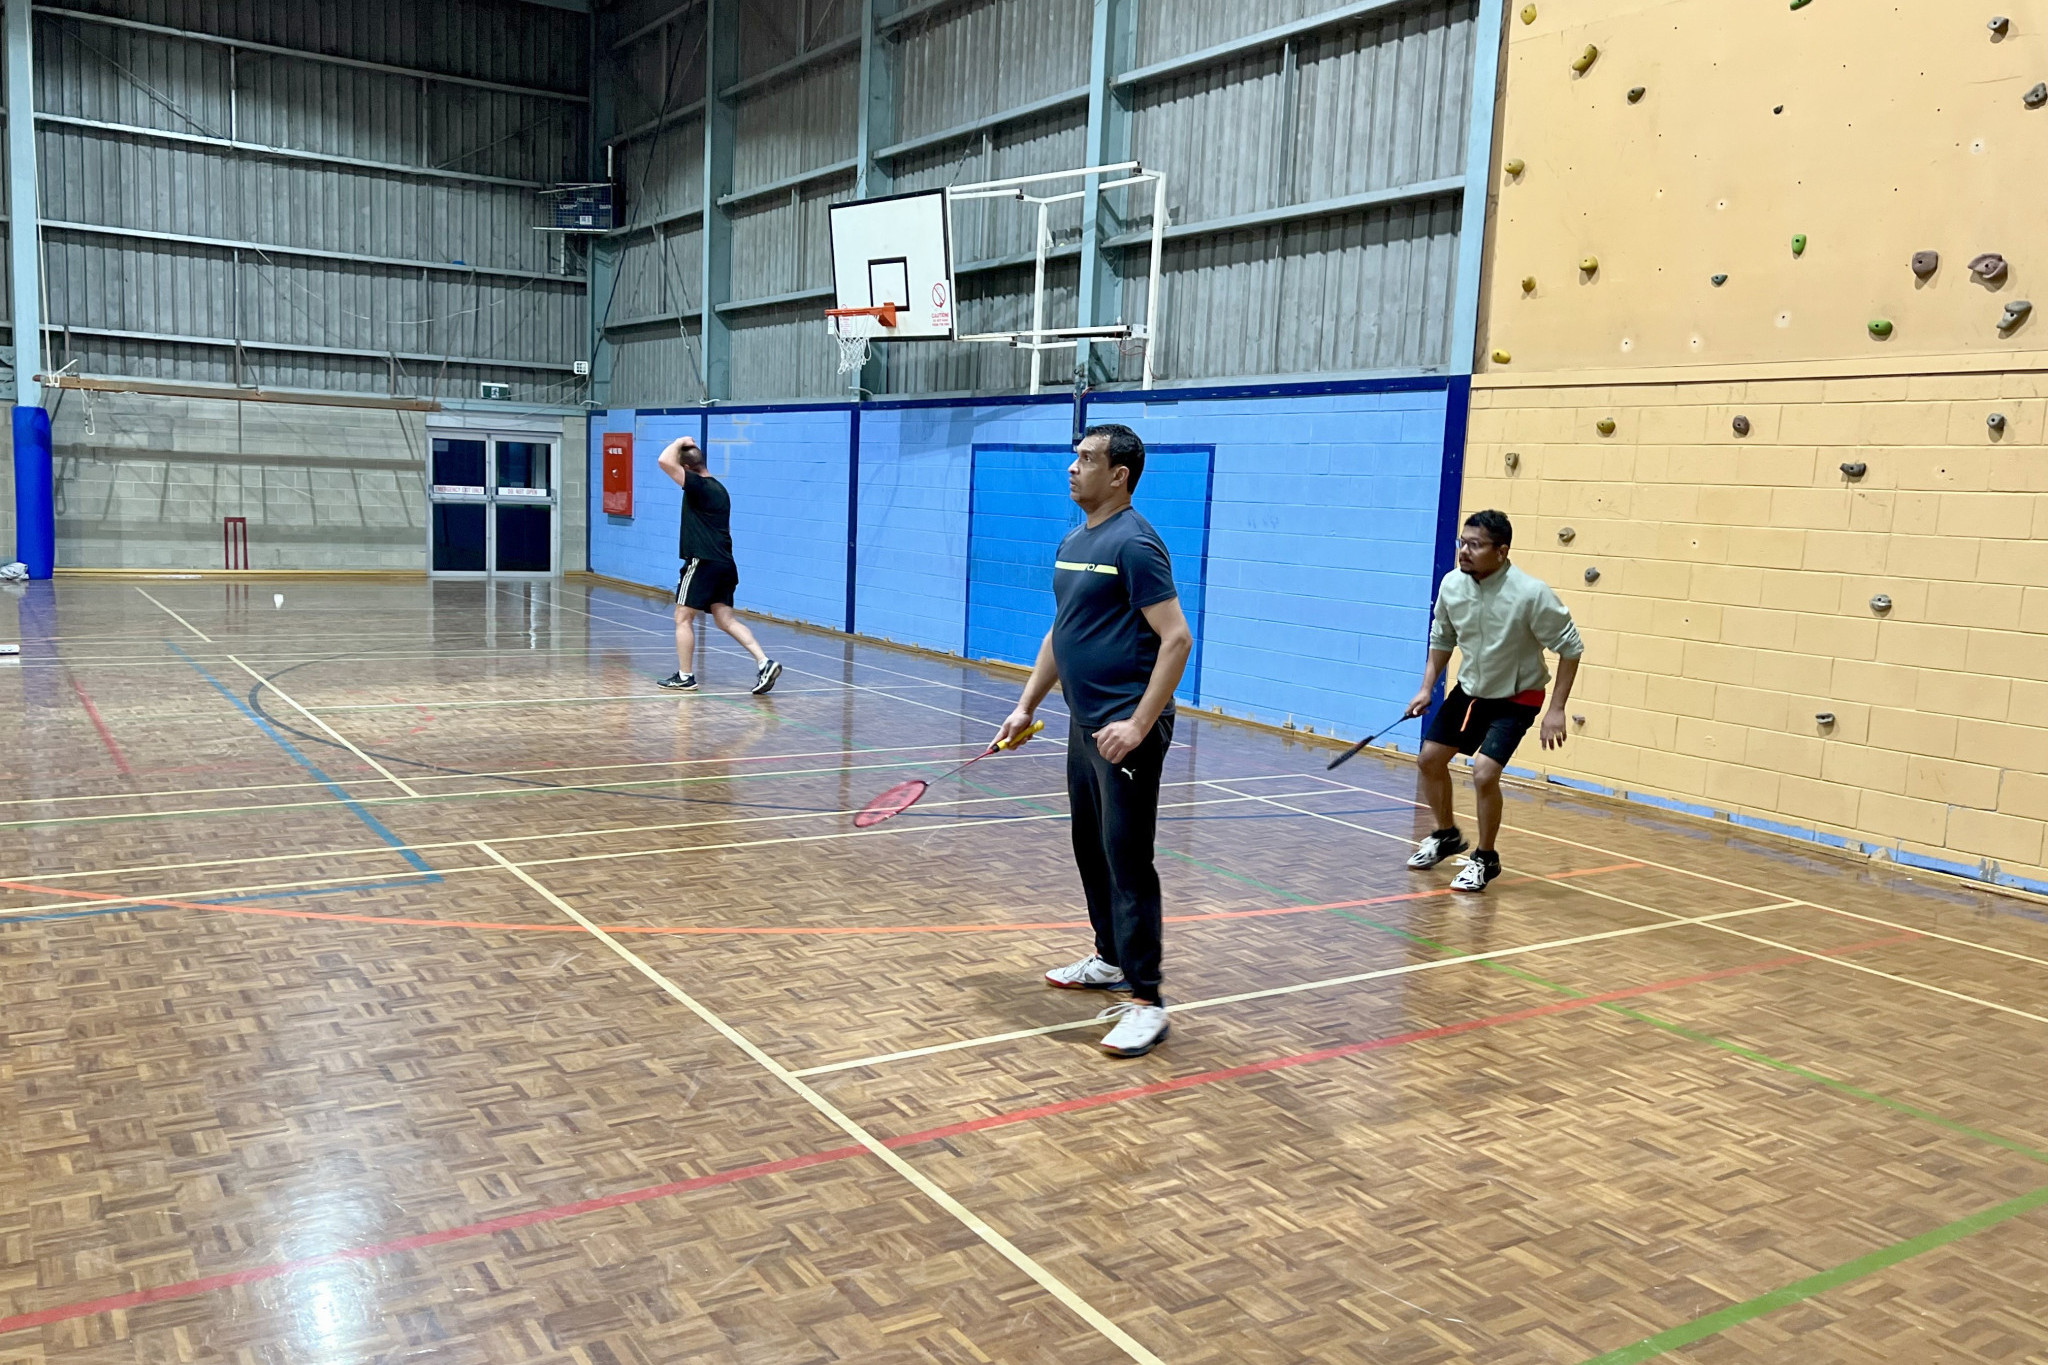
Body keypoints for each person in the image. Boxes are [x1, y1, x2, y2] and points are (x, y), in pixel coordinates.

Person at [996, 424, 1192, 1058]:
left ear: (1120, 476)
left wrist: (1138, 724)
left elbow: (1177, 639)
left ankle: (1147, 1000)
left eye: (1086, 459)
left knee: (1128, 859)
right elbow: (1062, 632)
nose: (1072, 468)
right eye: (1074, 458)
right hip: (1085, 726)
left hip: (1125, 733)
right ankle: (1110, 959)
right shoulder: (1076, 539)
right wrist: (1026, 705)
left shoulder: (1135, 544)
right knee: (1091, 848)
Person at [1402, 509, 1583, 891]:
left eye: (1475, 545)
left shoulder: (1531, 594)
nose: (1464, 551)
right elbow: (1442, 638)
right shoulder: (1452, 585)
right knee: (1429, 760)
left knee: (1484, 771)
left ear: (1501, 551)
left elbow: (1571, 648)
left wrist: (1557, 709)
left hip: (1518, 696)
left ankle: (1485, 858)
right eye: (1462, 543)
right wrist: (1426, 688)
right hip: (1471, 691)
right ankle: (1447, 834)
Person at [653, 435, 782, 696]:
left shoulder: (698, 486)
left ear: (687, 469)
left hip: (703, 560)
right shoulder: (719, 488)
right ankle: (764, 661)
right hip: (725, 563)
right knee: (725, 620)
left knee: (682, 617)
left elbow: (663, 461)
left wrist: (679, 441)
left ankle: (685, 676)